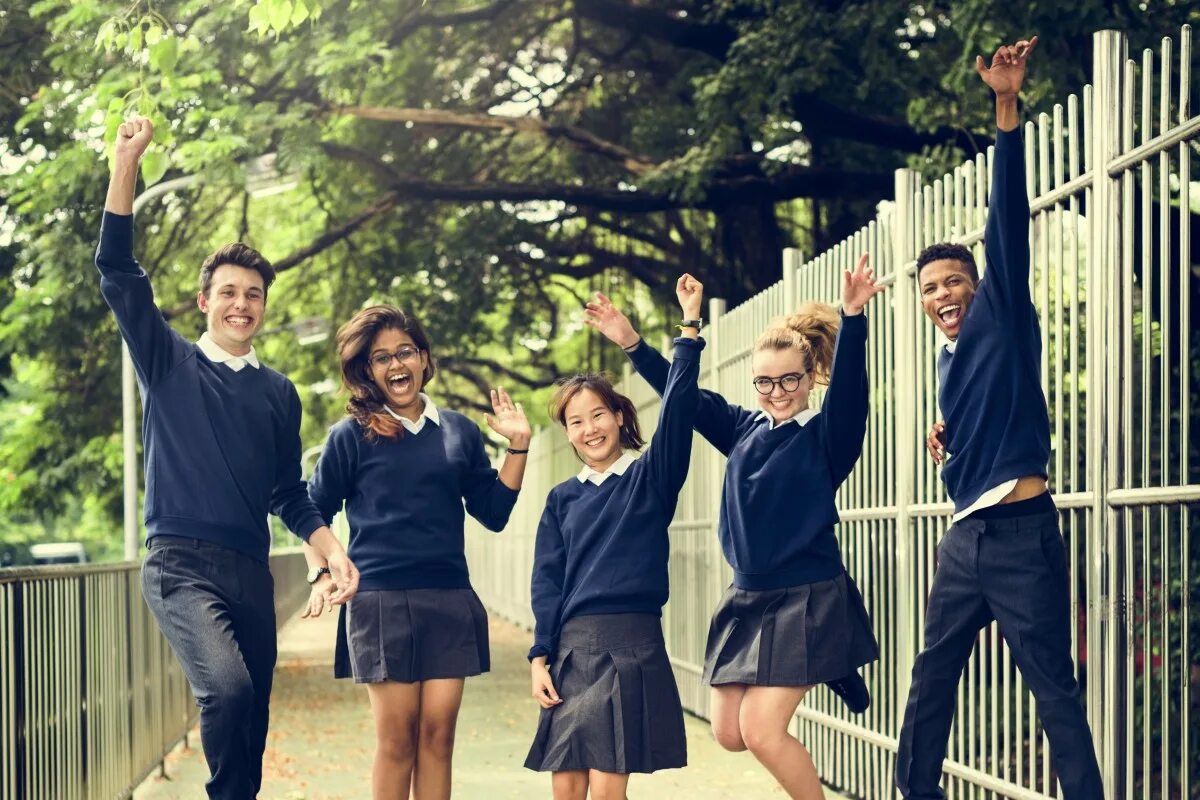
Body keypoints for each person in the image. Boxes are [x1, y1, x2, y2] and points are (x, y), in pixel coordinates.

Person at [97, 117, 359, 800]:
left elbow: (288, 492)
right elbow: (117, 271)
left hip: (250, 572)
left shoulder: (278, 393)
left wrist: (331, 550)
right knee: (229, 691)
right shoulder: (169, 362)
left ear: (263, 306)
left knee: (252, 723)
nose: (241, 304)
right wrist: (125, 164)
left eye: (253, 294)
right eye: (229, 293)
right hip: (180, 566)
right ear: (204, 301)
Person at [588, 256, 883, 798]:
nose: (775, 392)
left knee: (763, 732)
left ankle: (829, 660)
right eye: (764, 382)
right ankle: (834, 668)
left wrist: (854, 316)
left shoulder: (825, 437)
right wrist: (633, 339)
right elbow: (683, 397)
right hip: (748, 598)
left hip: (807, 596)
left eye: (788, 379)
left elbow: (850, 395)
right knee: (728, 733)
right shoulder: (743, 429)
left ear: (811, 375)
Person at [895, 38, 1104, 800]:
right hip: (965, 542)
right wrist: (948, 436)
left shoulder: (1001, 311)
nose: (943, 295)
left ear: (980, 286)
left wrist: (1006, 109)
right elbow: (982, 409)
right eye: (930, 288)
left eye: (955, 282)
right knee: (928, 684)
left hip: (1020, 536)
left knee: (1054, 691)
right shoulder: (948, 358)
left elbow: (1006, 219)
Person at [304, 304, 529, 800]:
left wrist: (518, 448)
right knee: (397, 740)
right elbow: (313, 510)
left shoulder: (460, 432)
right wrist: (320, 573)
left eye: (404, 352)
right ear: (368, 372)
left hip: (448, 598)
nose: (395, 364)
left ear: (424, 360)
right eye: (381, 358)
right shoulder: (350, 436)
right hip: (380, 601)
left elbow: (492, 511)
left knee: (438, 737)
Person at [524, 275, 705, 800]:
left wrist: (687, 330)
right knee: (566, 788)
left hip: (631, 644)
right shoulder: (562, 498)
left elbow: (679, 409)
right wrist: (540, 657)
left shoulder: (650, 477)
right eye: (575, 422)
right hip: (572, 651)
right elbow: (548, 582)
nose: (588, 429)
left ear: (620, 415)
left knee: (607, 790)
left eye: (597, 414)